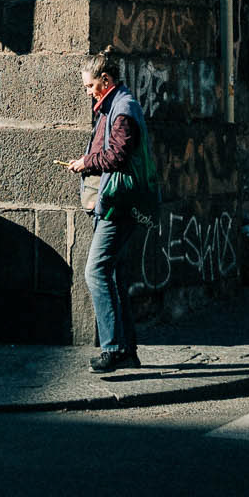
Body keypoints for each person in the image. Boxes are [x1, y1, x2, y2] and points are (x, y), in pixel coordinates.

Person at [66, 50, 152, 373]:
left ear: (106, 81)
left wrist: (86, 162)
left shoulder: (123, 109)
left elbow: (116, 155)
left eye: (90, 87)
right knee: (113, 273)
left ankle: (113, 349)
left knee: (95, 270)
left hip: (121, 205)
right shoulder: (114, 106)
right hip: (118, 202)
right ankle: (127, 350)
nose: (88, 93)